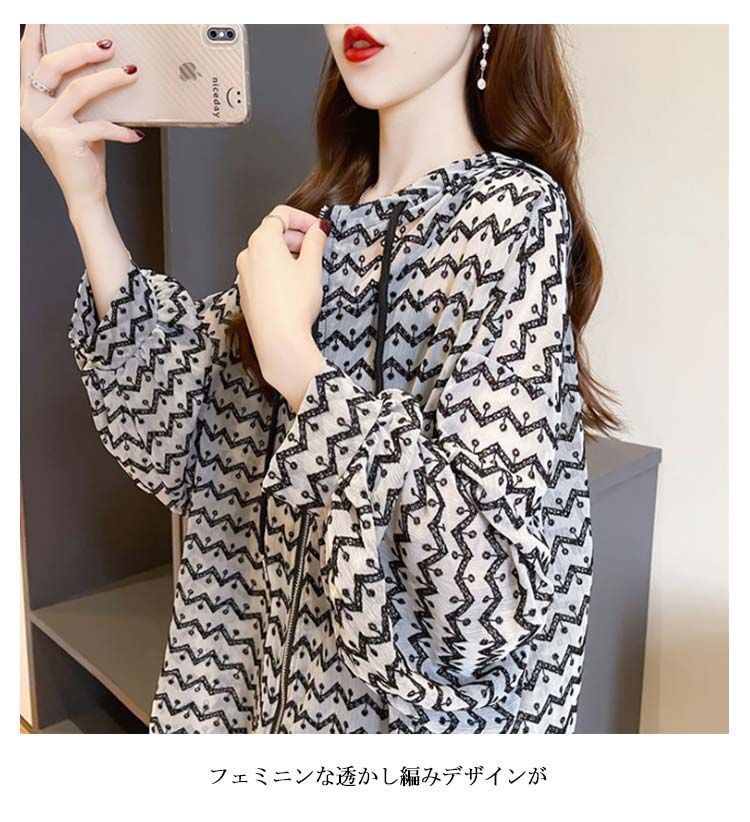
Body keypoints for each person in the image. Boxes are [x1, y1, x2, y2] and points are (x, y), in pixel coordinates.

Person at [20, 23, 620, 733]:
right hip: (250, 702)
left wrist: (299, 368)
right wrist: (87, 199)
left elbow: (482, 599)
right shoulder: (318, 221)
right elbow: (183, 444)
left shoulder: (512, 214)